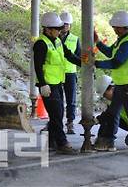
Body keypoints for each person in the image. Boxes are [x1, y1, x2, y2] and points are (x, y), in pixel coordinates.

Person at [87, 10, 128, 157]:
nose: (114, 29)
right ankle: (107, 140)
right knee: (113, 111)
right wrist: (97, 42)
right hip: (122, 84)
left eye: (115, 27)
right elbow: (110, 53)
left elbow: (116, 62)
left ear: (122, 27)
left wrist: (95, 63)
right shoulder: (122, 39)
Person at [33, 11, 82, 155]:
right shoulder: (41, 43)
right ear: (48, 29)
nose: (60, 31)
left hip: (58, 82)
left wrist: (83, 63)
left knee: (58, 113)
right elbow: (38, 65)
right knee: (56, 113)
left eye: (61, 28)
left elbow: (69, 55)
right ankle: (62, 142)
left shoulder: (58, 41)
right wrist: (42, 84)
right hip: (48, 84)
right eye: (57, 29)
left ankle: (52, 141)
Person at [59, 11, 79, 135]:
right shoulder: (53, 38)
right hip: (56, 74)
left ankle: (70, 123)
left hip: (70, 73)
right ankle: (55, 123)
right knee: (57, 101)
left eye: (68, 24)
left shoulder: (75, 39)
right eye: (64, 23)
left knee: (71, 100)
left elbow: (78, 55)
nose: (66, 26)